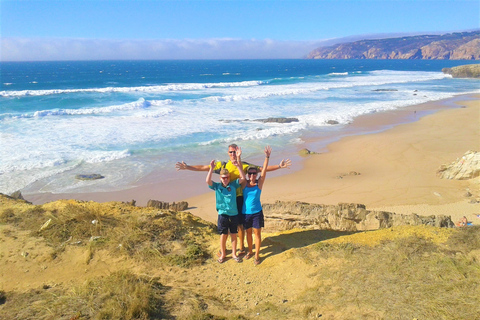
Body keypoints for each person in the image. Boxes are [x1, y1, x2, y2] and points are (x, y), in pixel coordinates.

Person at [176, 144, 291, 254]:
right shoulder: (223, 165)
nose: (233, 154)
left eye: (235, 151)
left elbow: (261, 169)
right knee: (225, 225)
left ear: (238, 152)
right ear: (228, 153)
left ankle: (241, 248)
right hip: (227, 200)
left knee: (240, 225)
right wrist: (187, 167)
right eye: (231, 152)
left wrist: (279, 166)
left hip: (239, 197)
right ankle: (225, 249)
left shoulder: (243, 165)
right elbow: (205, 167)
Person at [206, 156, 246, 263]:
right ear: (220, 178)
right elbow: (208, 181)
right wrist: (211, 168)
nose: (225, 179)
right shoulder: (217, 186)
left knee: (234, 233)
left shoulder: (233, 185)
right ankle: (223, 254)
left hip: (234, 213)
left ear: (229, 177)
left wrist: (238, 166)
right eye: (223, 177)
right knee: (223, 234)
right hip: (222, 214)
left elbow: (243, 178)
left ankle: (233, 253)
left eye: (227, 177)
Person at [241, 146, 271, 266]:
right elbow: (239, 169)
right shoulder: (244, 184)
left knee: (257, 234)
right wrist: (238, 157)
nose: (252, 175)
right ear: (248, 174)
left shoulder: (259, 183)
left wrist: (267, 157)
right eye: (250, 173)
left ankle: (257, 255)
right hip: (245, 213)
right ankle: (250, 251)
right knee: (248, 233)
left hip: (257, 213)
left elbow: (264, 171)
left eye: (254, 173)